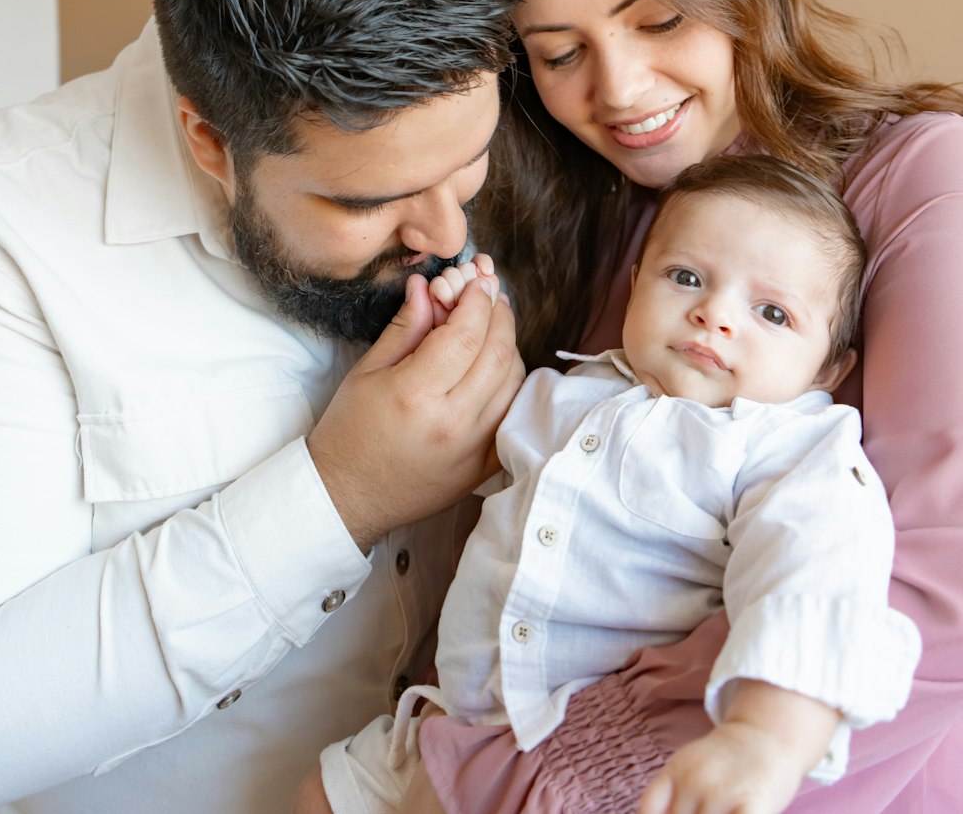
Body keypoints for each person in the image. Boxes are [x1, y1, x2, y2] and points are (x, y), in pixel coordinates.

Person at [0, 0, 525, 814]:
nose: (445, 231)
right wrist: (339, 495)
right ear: (210, 142)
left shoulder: (456, 130)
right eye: (365, 201)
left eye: (467, 161)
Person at [411, 0, 963, 813]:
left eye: (658, 20)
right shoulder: (594, 236)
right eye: (559, 51)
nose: (618, 89)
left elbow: (943, 583)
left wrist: (572, 774)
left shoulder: (918, 176)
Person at [303, 155, 921, 814]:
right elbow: (476, 438)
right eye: (685, 278)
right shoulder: (572, 389)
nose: (714, 315)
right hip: (454, 723)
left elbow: (818, 573)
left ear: (830, 369)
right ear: (634, 285)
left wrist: (763, 738)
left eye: (771, 313)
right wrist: (460, 329)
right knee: (325, 793)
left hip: (586, 758)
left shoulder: (783, 448)